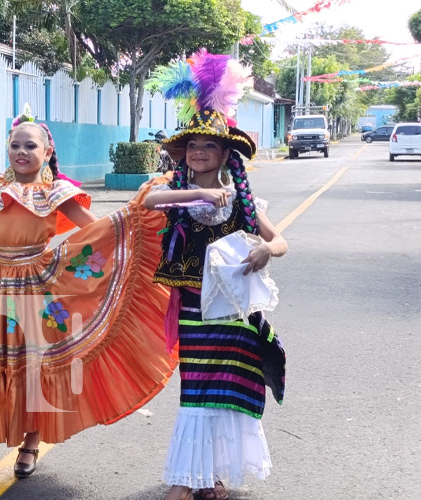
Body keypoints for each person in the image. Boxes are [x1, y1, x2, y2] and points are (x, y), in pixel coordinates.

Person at [0, 107, 178, 482]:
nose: (21, 152)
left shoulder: (57, 192)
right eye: (15, 145)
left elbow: (95, 229)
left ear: (47, 152)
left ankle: (31, 443)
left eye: (30, 146)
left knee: (37, 366)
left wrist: (131, 218)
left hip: (41, 290)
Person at [144, 51, 288, 500]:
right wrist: (201, 192)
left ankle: (214, 477)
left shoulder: (246, 204)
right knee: (195, 393)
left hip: (234, 319)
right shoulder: (175, 194)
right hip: (192, 311)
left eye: (209, 146)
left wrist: (266, 249)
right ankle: (186, 479)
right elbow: (149, 203)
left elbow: (280, 241)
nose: (199, 152)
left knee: (225, 395)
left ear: (226, 153)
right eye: (192, 146)